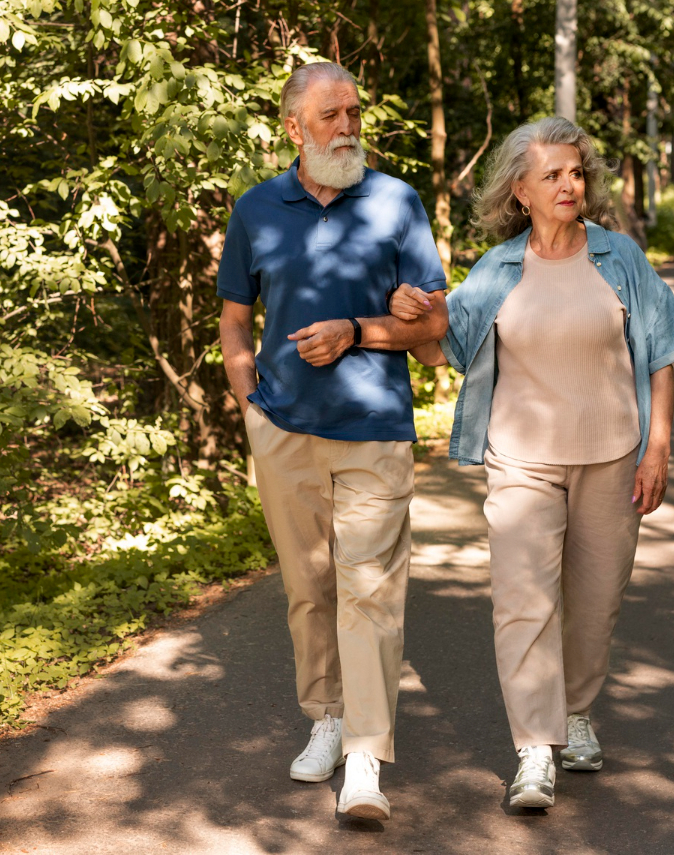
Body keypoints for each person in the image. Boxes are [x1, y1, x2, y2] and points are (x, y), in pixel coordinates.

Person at [390, 116, 674, 809]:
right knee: (523, 603)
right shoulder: (498, 269)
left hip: (613, 457)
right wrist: (411, 313)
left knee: (596, 603)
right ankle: (534, 748)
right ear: (520, 191)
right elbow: (440, 347)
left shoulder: (619, 257)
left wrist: (658, 449)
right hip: (522, 462)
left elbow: (662, 356)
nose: (570, 184)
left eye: (576, 172)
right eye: (553, 175)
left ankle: (576, 713)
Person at [216, 61, 449, 821]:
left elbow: (435, 329)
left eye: (354, 113)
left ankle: (364, 759)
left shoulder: (396, 203)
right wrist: (249, 398)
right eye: (331, 116)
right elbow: (234, 317)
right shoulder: (256, 208)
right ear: (294, 128)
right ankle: (326, 717)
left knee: (370, 592)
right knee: (308, 590)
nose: (348, 127)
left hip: (373, 430)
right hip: (282, 431)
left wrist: (360, 331)